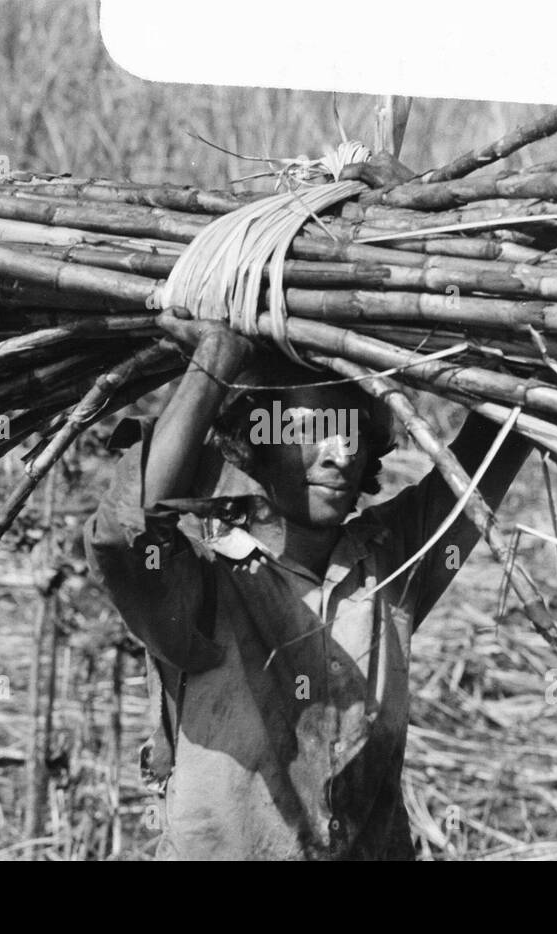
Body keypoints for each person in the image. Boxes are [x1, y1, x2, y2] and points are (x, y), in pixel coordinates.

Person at [88, 312, 532, 860]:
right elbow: (125, 530)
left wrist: (530, 350)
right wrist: (216, 358)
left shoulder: (390, 565)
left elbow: (496, 444)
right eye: (306, 433)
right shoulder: (202, 587)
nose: (340, 454)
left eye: (352, 435)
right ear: (250, 448)